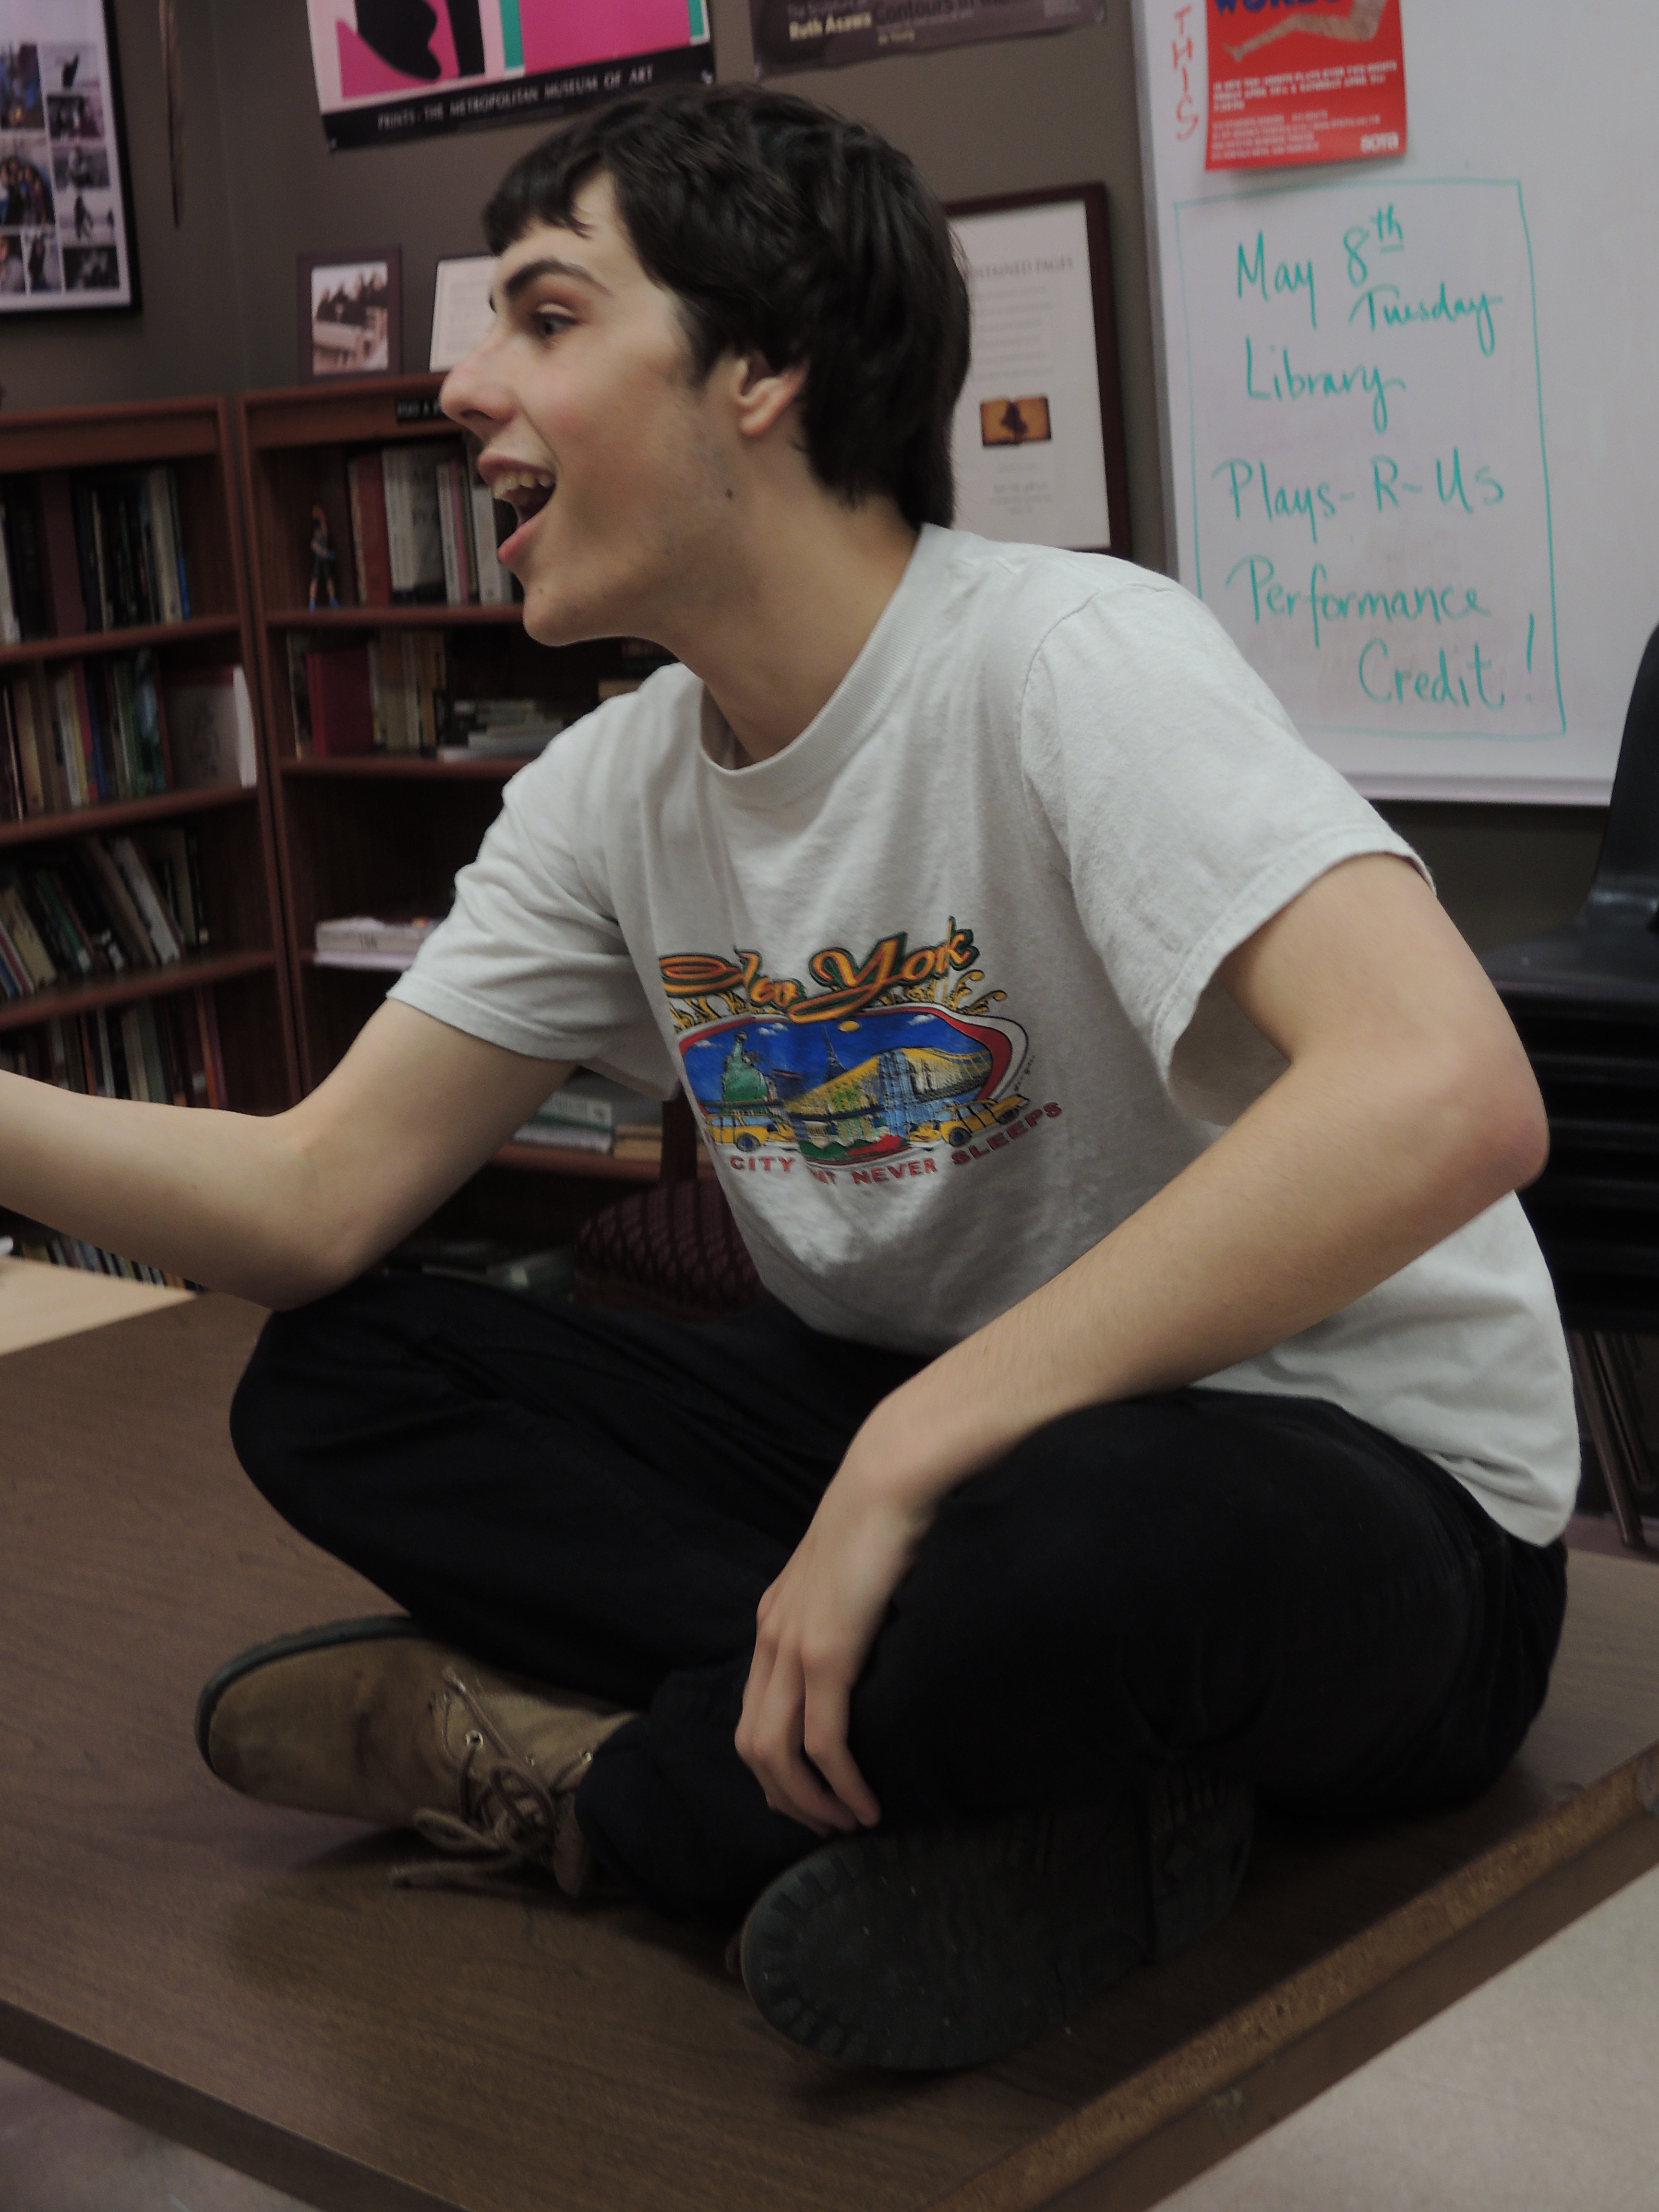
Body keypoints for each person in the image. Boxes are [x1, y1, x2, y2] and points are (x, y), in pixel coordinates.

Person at [1, 84, 1575, 2072]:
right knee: (337, 1380)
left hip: (1359, 1491)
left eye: (547, 316)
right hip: (945, 1436)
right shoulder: (610, 790)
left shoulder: (1072, 658)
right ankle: (975, 1760)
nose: (461, 384)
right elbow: (311, 1205)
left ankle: (624, 1795)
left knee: (1081, 1537)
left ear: (763, 369)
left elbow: (1450, 1091)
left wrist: (911, 1458)